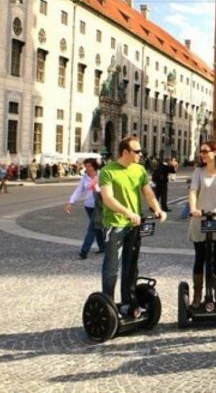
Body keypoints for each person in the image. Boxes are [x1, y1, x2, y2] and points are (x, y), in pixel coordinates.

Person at [99, 136, 166, 318]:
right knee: (112, 267)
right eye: (137, 151)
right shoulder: (107, 171)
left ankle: (128, 303)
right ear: (125, 152)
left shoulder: (139, 170)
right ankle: (109, 306)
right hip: (115, 225)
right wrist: (128, 213)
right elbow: (108, 198)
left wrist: (157, 208)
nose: (141, 154)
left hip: (134, 225)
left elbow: (148, 192)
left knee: (131, 266)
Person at [188, 140, 216, 308]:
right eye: (201, 151)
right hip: (200, 218)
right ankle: (198, 293)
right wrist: (193, 208)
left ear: (215, 152)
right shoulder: (198, 171)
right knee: (200, 257)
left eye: (206, 151)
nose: (202, 154)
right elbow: (193, 191)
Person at [66, 158, 105, 259]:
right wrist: (71, 202)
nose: (87, 168)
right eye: (86, 166)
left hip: (99, 205)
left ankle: (84, 250)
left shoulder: (102, 175)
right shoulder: (84, 178)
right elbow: (78, 191)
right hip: (88, 205)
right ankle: (102, 246)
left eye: (89, 166)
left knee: (91, 228)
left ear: (94, 166)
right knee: (97, 227)